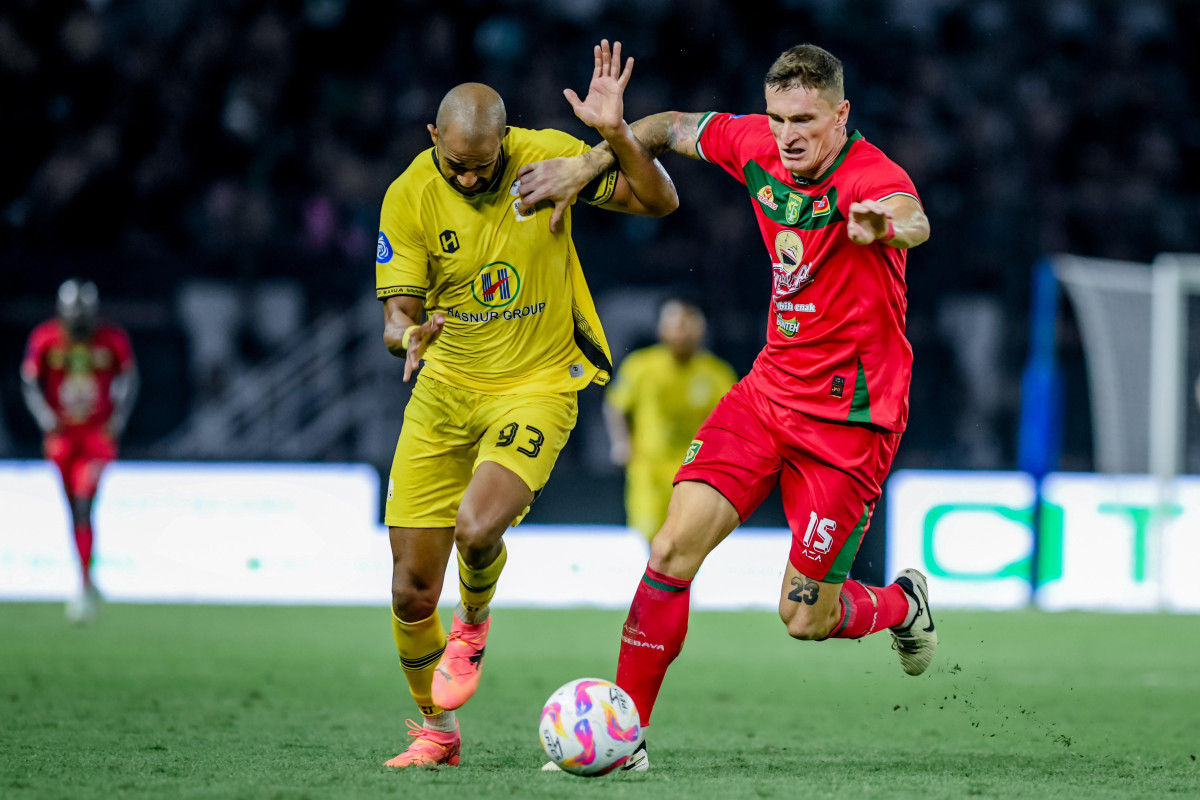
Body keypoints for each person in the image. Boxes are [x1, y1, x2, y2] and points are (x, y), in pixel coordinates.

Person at [520, 43, 934, 770]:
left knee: (805, 619)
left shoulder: (872, 178)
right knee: (670, 550)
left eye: (805, 120)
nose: (788, 136)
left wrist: (884, 228)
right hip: (768, 395)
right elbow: (669, 126)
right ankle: (624, 738)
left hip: (851, 424)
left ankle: (902, 605)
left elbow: (911, 215)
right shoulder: (756, 145)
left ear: (841, 114)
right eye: (777, 119)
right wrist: (590, 161)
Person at [376, 40, 678, 769]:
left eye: (484, 161)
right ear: (433, 140)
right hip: (443, 392)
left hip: (538, 385)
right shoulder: (411, 192)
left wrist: (607, 142)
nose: (473, 175)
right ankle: (435, 734)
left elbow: (660, 200)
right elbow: (396, 320)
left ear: (505, 140)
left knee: (477, 529)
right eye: (458, 164)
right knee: (413, 589)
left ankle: (474, 623)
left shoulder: (547, 156)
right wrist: (407, 334)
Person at [21, 279, 138, 623]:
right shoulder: (45, 339)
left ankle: (84, 586)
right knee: (74, 509)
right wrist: (45, 416)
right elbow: (29, 380)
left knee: (86, 503)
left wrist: (117, 419)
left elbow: (130, 379)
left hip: (95, 438)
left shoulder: (111, 340)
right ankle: (87, 576)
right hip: (63, 438)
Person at [604, 298, 736, 540]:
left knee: (687, 543)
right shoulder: (641, 366)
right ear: (660, 328)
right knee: (651, 539)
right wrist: (621, 443)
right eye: (674, 323)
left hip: (696, 475)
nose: (681, 331)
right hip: (649, 473)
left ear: (702, 327)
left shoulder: (717, 373)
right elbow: (615, 405)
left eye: (688, 323)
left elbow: (732, 422)